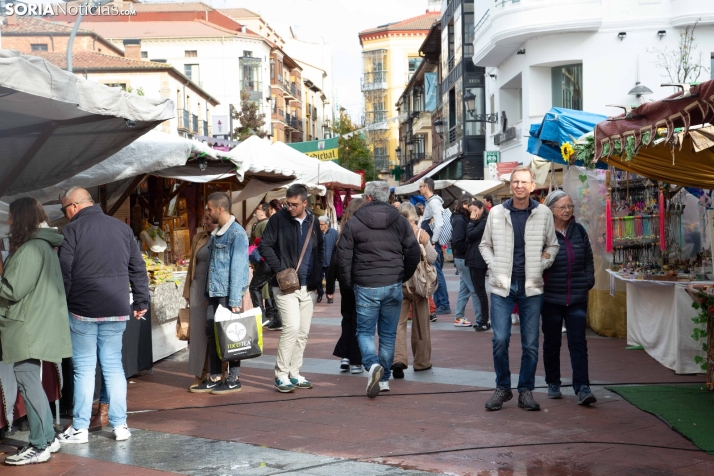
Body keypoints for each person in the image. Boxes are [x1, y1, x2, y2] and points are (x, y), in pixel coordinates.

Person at [58, 187, 149, 444]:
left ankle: (80, 428)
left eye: (65, 210)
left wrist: (60, 301)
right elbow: (137, 267)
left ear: (74, 206)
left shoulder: (72, 231)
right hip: (117, 307)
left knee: (84, 369)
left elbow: (64, 271)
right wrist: (141, 299)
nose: (65, 215)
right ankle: (121, 426)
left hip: (82, 309)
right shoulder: (121, 228)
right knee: (113, 367)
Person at [479, 166, 559, 412]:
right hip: (503, 286)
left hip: (531, 286)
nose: (519, 186)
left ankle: (525, 390)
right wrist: (494, 266)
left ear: (533, 186)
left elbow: (552, 245)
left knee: (531, 343)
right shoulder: (496, 213)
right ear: (510, 184)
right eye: (515, 182)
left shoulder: (544, 213)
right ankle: (503, 387)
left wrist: (542, 263)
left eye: (524, 182)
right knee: (500, 338)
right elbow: (485, 245)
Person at [0, 198, 72, 465]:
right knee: (32, 384)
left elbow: (12, 289)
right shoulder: (44, 245)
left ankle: (40, 443)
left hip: (27, 325)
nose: (8, 221)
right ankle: (46, 439)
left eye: (11, 217)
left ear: (21, 218)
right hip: (36, 323)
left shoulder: (32, 248)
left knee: (29, 384)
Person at [337, 181, 420, 397]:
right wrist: (403, 275)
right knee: (388, 334)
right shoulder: (400, 221)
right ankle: (383, 379)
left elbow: (343, 257)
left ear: (368, 198)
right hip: (393, 283)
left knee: (364, 331)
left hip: (365, 284)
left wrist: (348, 283)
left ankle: (373, 365)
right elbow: (413, 252)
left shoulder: (354, 222)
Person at [260, 184, 324, 393]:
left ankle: (294, 373)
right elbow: (265, 245)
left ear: (305, 203)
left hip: (308, 286)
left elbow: (320, 250)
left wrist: (319, 281)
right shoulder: (278, 220)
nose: (290, 207)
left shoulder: (313, 221)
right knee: (291, 328)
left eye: (294, 204)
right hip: (285, 285)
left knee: (303, 332)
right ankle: (281, 374)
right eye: (288, 203)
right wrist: (280, 269)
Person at [190, 192, 250, 395]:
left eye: (208, 208)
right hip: (215, 292)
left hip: (227, 293)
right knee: (212, 332)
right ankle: (215, 377)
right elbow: (212, 268)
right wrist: (208, 294)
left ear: (219, 209)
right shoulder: (218, 234)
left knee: (232, 334)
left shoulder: (237, 233)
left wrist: (234, 299)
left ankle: (234, 378)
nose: (207, 212)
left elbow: (239, 267)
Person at [542, 190, 597, 406]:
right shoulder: (544, 233)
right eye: (562, 207)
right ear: (551, 210)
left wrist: (588, 280)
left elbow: (589, 258)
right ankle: (553, 382)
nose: (567, 210)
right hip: (550, 298)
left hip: (576, 296)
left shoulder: (579, 231)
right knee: (552, 342)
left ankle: (583, 387)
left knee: (578, 343)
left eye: (570, 206)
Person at [393, 202, 436, 377]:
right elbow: (432, 258)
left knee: (398, 324)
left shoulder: (394, 233)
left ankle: (398, 359)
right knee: (421, 325)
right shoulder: (420, 234)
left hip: (399, 283)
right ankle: (421, 361)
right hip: (419, 285)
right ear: (414, 217)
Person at [183, 209, 218, 389]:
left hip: (217, 290)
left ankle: (218, 372)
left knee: (217, 331)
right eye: (204, 218)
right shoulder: (199, 237)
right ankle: (200, 373)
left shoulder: (227, 236)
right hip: (198, 288)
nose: (205, 222)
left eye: (209, 218)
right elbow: (191, 266)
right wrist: (188, 292)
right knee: (197, 334)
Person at [330, 198, 365, 374]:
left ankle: (345, 356)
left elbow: (335, 260)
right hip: (360, 279)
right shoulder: (361, 230)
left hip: (345, 281)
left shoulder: (342, 232)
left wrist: (333, 284)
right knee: (359, 320)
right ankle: (356, 360)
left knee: (348, 317)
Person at [419, 178, 450, 315]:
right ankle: (441, 303)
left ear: (426, 187)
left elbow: (439, 223)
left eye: (420, 186)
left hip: (432, 242)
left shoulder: (433, 202)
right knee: (435, 272)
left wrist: (433, 241)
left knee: (436, 273)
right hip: (431, 241)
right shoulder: (432, 202)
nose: (419, 189)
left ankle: (443, 304)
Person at [249, 202, 281, 331]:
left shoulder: (270, 222)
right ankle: (277, 319)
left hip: (268, 260)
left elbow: (264, 242)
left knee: (254, 286)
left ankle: (261, 316)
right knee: (275, 288)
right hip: (278, 261)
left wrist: (257, 242)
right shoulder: (281, 222)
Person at [451, 196, 477, 327]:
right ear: (464, 205)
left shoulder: (462, 219)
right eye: (470, 204)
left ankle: (459, 317)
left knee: (465, 290)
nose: (473, 207)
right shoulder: (461, 220)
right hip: (463, 258)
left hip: (462, 257)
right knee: (475, 289)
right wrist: (469, 248)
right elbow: (457, 241)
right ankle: (481, 318)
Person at [466, 199, 491, 332]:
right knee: (478, 290)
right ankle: (483, 319)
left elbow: (470, 235)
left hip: (478, 259)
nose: (472, 214)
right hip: (475, 258)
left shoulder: (484, 221)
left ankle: (484, 320)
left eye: (474, 210)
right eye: (470, 211)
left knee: (480, 291)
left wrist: (471, 222)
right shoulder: (481, 220)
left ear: (481, 208)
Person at [317, 216, 338, 304]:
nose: (320, 226)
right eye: (319, 225)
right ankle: (320, 293)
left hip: (330, 260)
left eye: (322, 224)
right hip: (319, 261)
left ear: (327, 224)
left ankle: (330, 295)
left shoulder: (334, 233)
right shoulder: (316, 233)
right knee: (318, 279)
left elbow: (337, 246)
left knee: (330, 279)